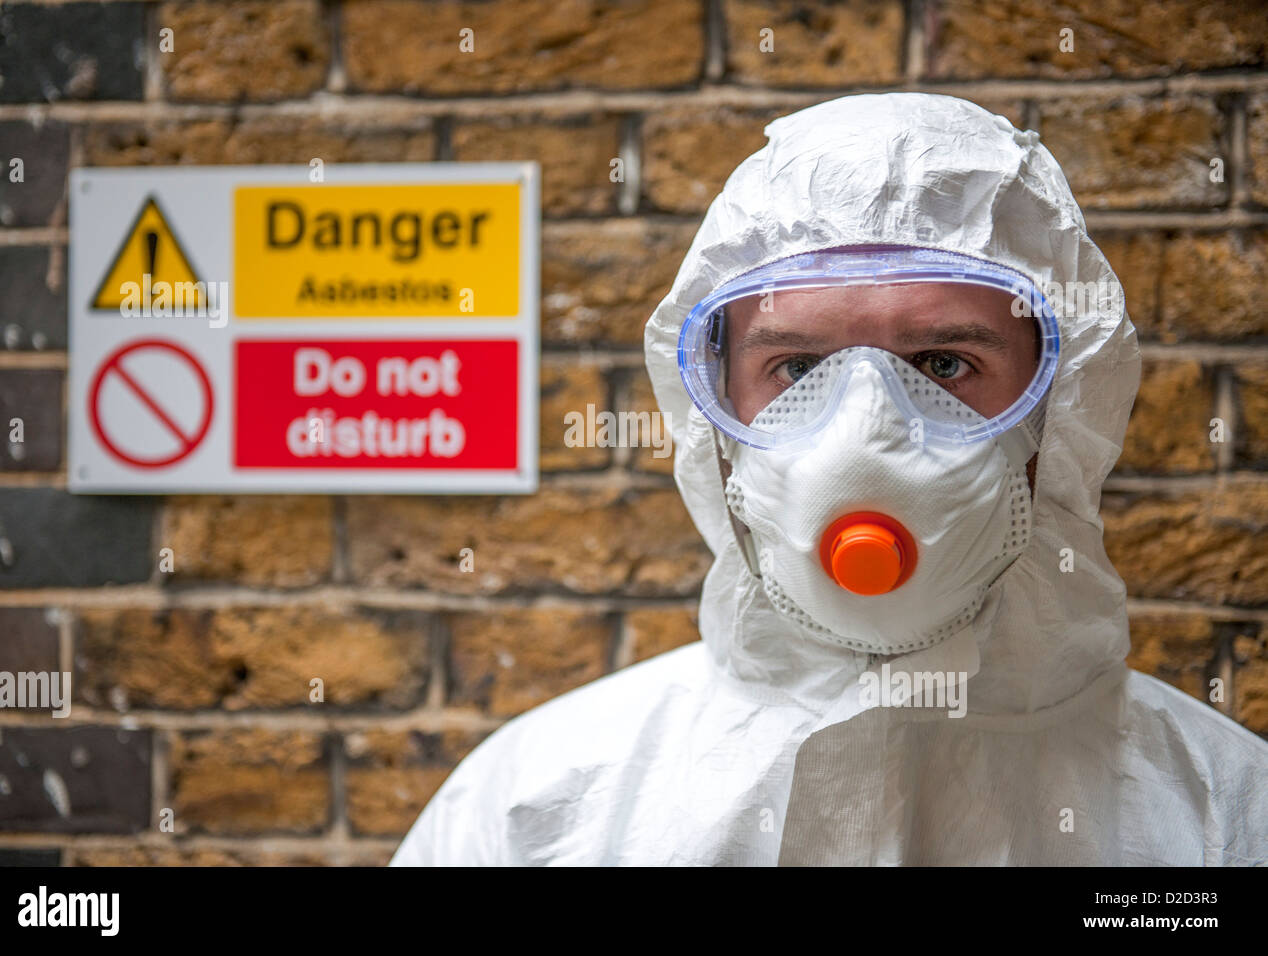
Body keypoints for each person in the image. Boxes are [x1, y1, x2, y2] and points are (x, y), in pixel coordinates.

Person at [390, 92, 1268, 865]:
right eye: (798, 370)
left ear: (1060, 403)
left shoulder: (1222, 814)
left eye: (943, 362)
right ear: (716, 415)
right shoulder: (537, 810)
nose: (863, 435)